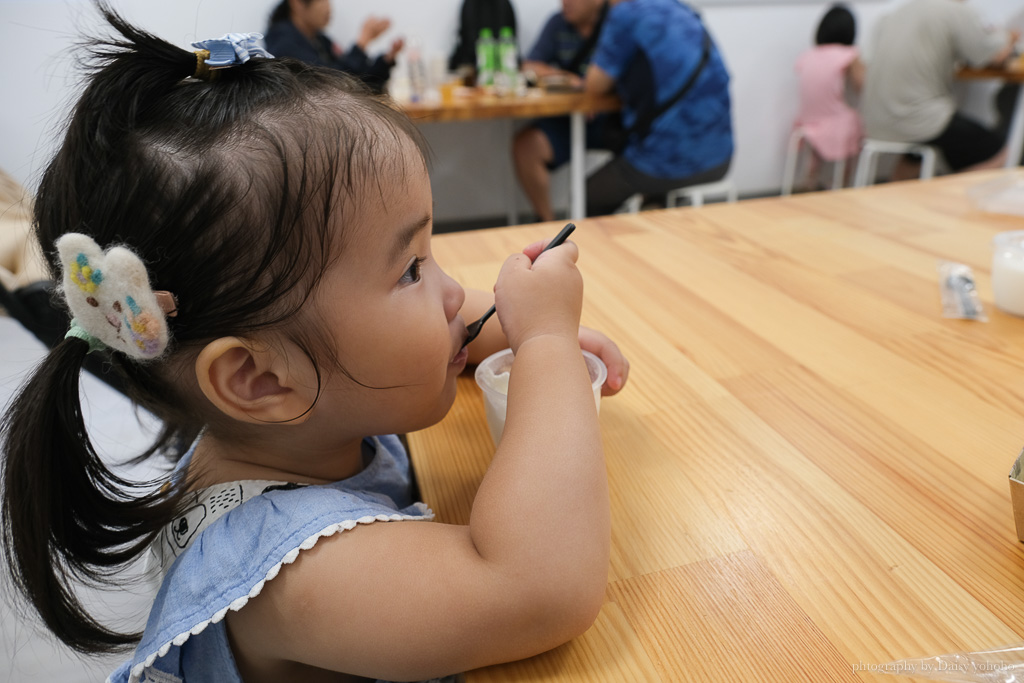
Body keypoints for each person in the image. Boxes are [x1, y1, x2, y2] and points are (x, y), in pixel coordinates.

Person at [0, 5, 631, 683]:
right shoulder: (295, 574)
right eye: (411, 268)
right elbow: (538, 587)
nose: (452, 293)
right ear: (258, 379)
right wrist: (546, 348)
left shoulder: (292, 412)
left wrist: (519, 316)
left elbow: (454, 315)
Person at [582, 0, 734, 216]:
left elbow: (595, 85)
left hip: (664, 164)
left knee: (585, 196)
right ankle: (656, 209)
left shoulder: (626, 14)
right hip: (720, 158)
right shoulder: (680, 8)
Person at [860, 0, 1019, 178]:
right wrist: (1009, 36)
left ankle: (896, 195)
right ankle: (948, 198)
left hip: (876, 120)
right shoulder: (953, 10)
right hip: (918, 119)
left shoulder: (900, 11)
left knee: (918, 149)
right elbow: (995, 54)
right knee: (1002, 153)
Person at [513, 0, 619, 223]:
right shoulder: (557, 23)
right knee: (525, 146)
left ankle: (646, 211)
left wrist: (593, 92)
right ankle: (548, 225)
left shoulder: (618, 23)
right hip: (567, 122)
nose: (565, 3)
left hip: (612, 121)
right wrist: (569, 80)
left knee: (650, 146)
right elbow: (529, 65)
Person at [791, 4, 865, 190]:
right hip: (833, 125)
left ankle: (810, 179)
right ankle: (845, 183)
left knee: (836, 118)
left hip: (807, 124)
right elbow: (862, 85)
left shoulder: (808, 55)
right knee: (855, 121)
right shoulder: (849, 54)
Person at [265, 0, 403, 93]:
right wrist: (362, 42)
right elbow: (332, 81)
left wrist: (386, 60)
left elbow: (355, 79)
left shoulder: (318, 39)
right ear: (297, 4)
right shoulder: (282, 42)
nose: (328, 7)